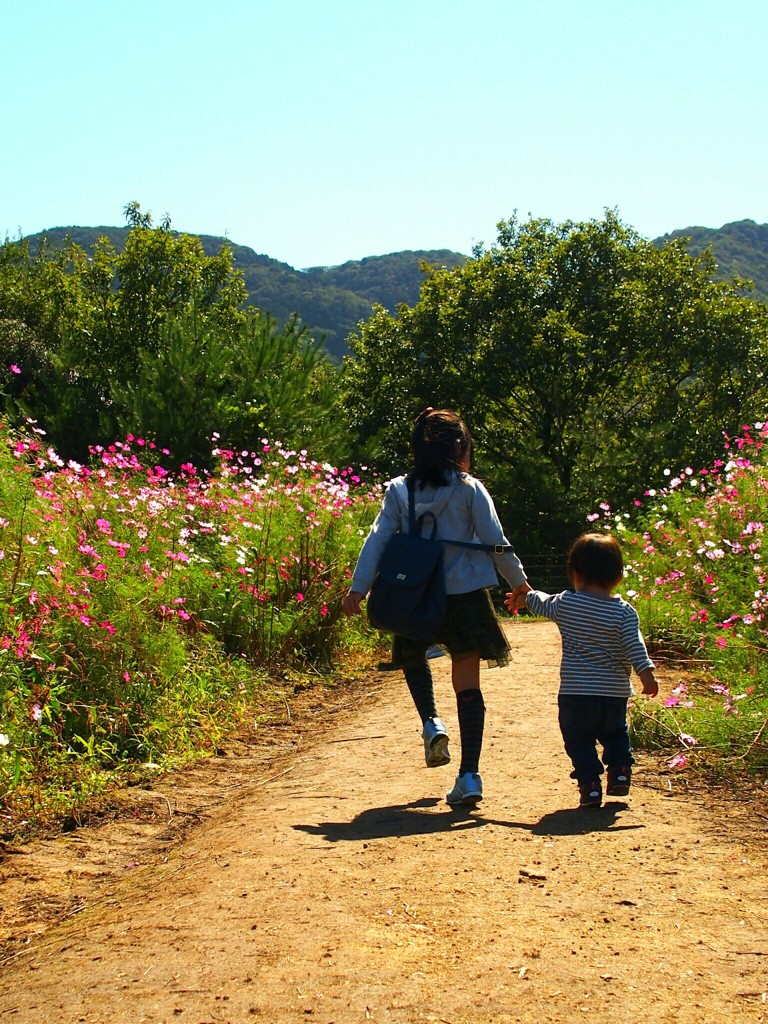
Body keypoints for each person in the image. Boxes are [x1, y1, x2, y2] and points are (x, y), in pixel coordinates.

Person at [342, 407, 528, 807]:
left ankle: (431, 722)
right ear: (459, 448)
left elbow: (377, 540)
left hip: (413, 594)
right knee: (468, 682)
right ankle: (470, 775)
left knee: (412, 656)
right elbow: (497, 541)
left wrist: (359, 588)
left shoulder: (399, 490)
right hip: (465, 595)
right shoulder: (470, 489)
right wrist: (519, 583)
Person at [506, 532, 658, 808]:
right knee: (615, 733)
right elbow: (635, 645)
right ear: (618, 576)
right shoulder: (624, 613)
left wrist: (522, 599)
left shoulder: (566, 603)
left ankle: (589, 784)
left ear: (575, 573)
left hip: (575, 694)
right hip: (613, 694)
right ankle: (620, 770)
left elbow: (540, 600)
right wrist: (645, 672)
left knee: (578, 740)